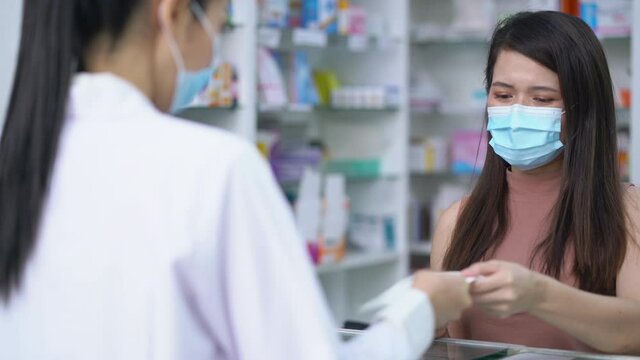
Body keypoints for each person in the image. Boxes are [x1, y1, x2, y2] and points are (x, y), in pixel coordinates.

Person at [0, 0, 472, 359]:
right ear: (174, 14)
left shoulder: (23, 158)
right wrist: (419, 309)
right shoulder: (211, 168)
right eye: (221, 29)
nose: (213, 58)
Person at [431, 11, 640, 355]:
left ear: (583, 108)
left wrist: (538, 295)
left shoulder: (625, 211)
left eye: (542, 99)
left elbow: (634, 333)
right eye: (502, 95)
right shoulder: (457, 221)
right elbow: (452, 350)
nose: (516, 112)